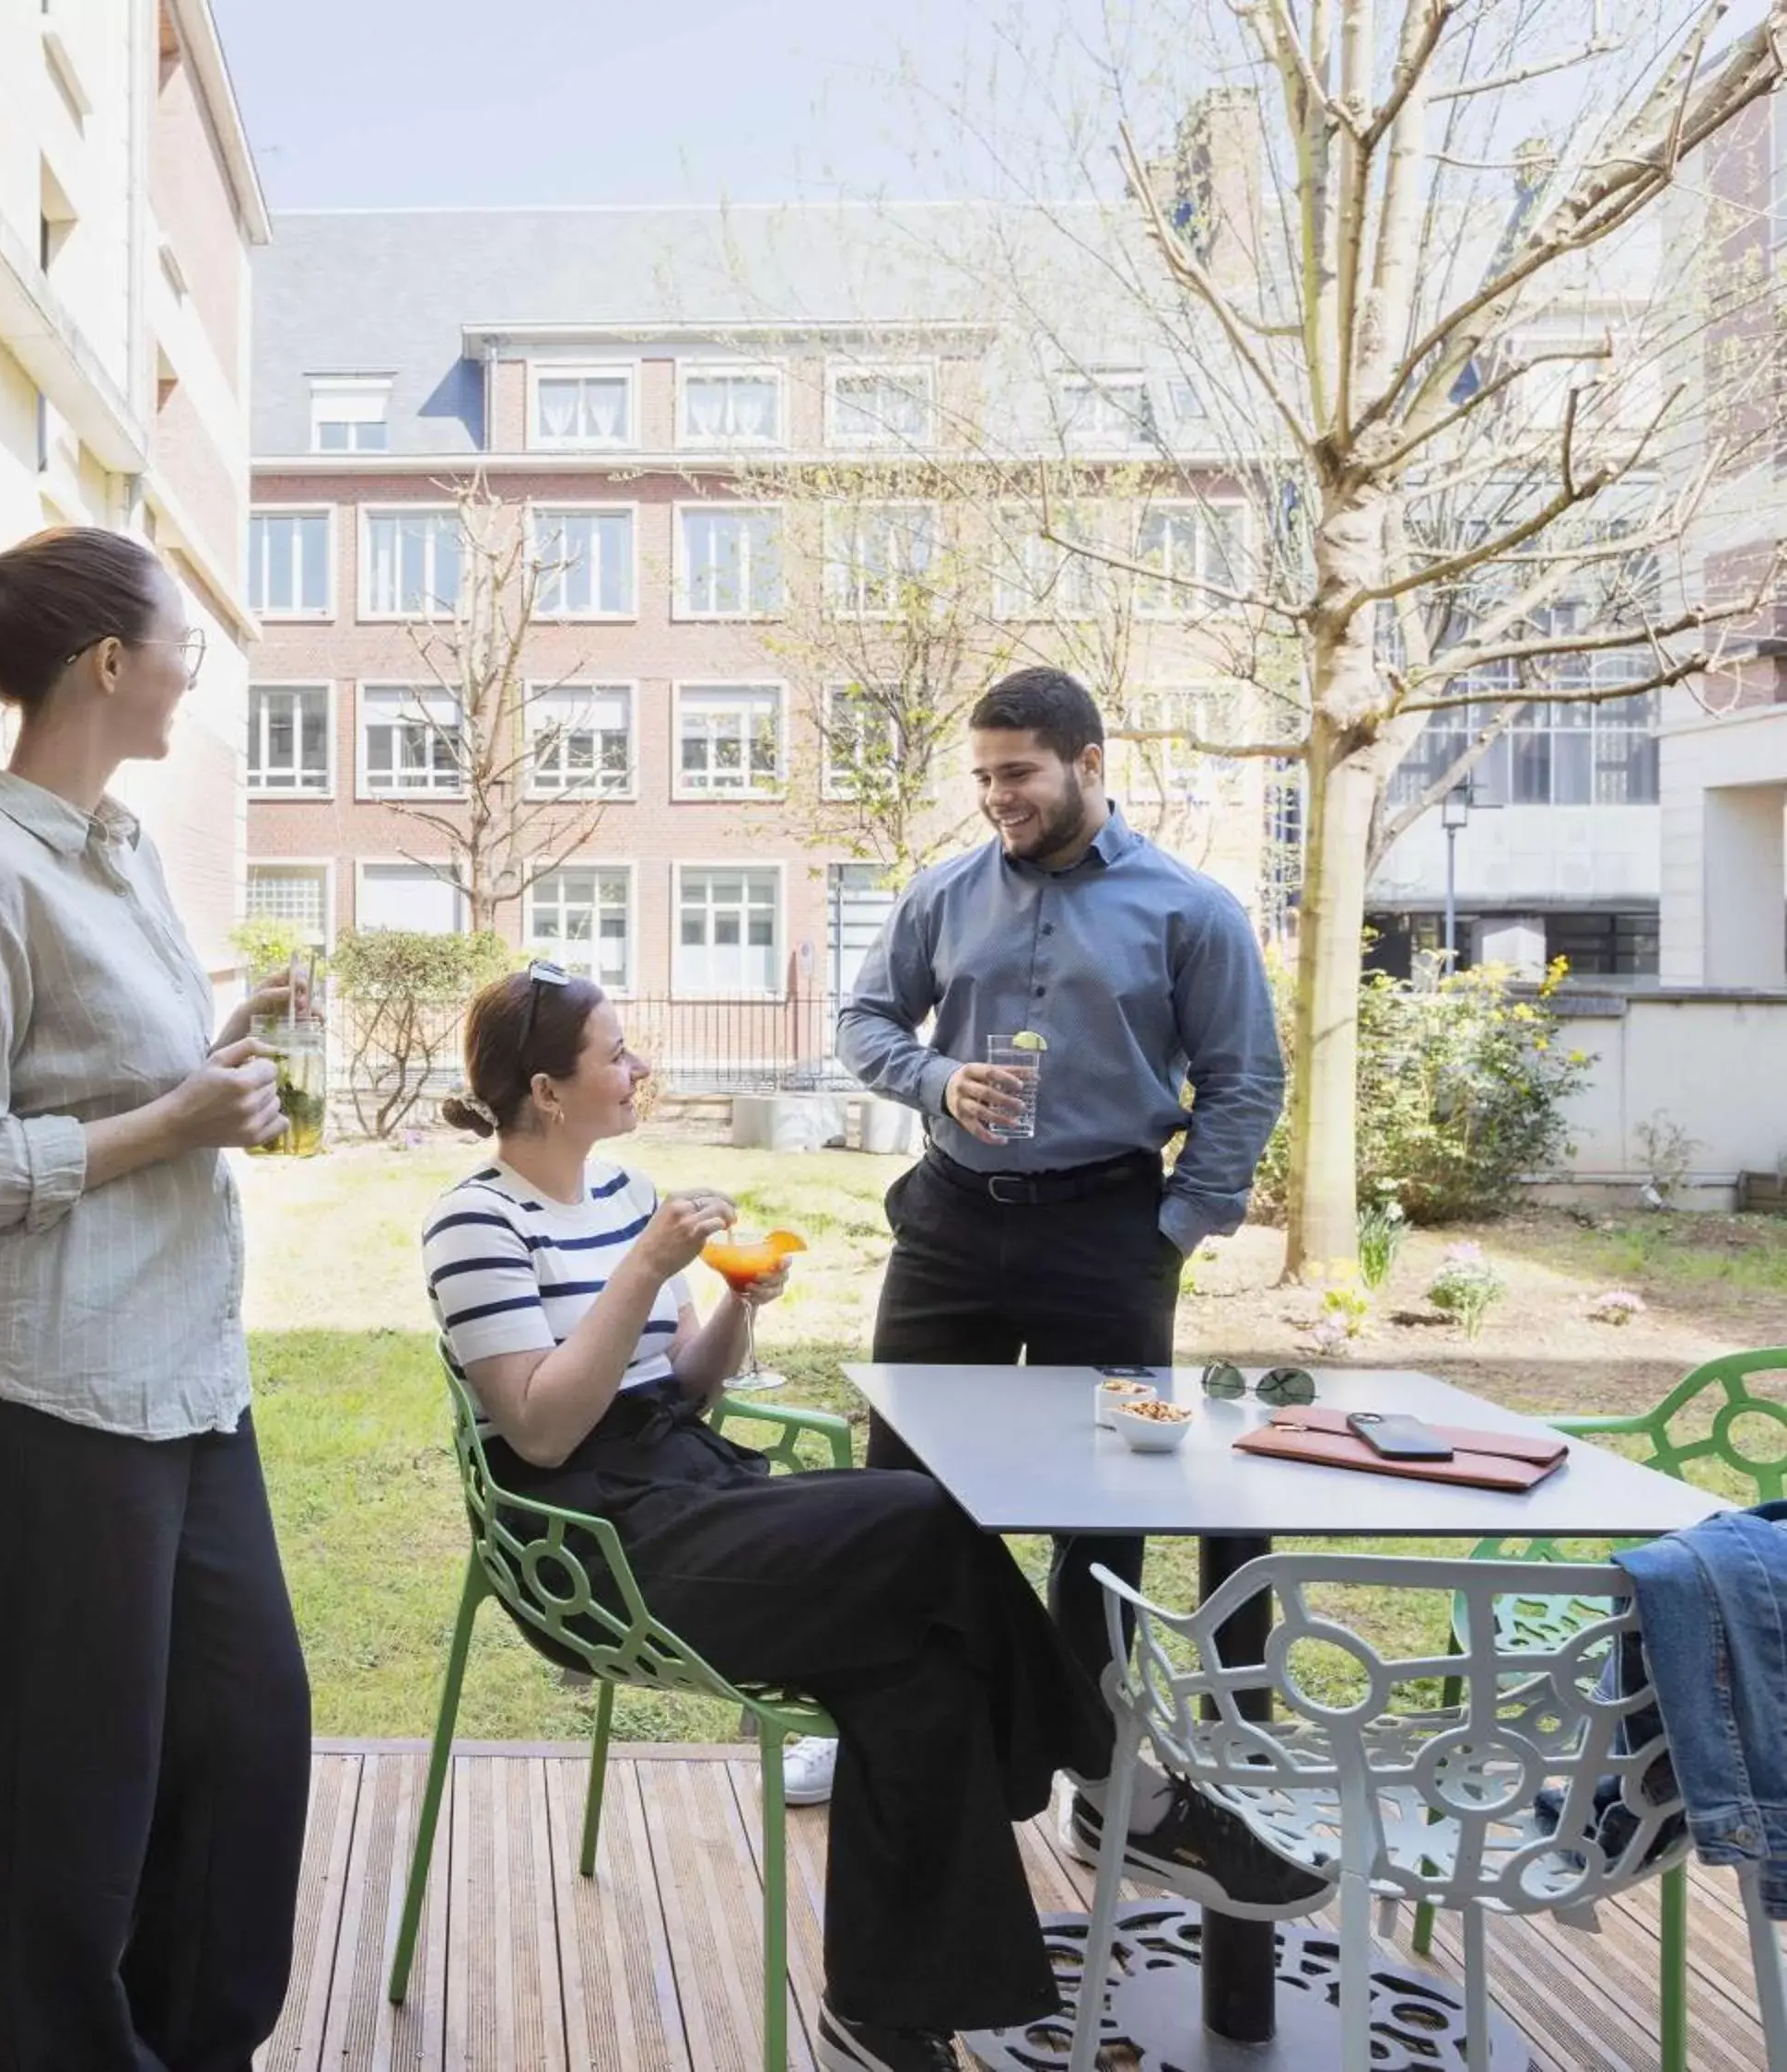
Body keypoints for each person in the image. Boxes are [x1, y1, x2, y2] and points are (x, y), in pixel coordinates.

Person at [423, 966, 1322, 2072]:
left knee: (922, 1669)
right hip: (600, 1543)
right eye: (615, 1052)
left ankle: (882, 2018)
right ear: (548, 1090)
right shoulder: (474, 1222)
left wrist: (732, 1312)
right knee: (922, 1514)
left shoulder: (622, 1192)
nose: (638, 1065)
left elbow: (684, 1388)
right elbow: (545, 1431)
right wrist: (645, 1269)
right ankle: (1125, 1795)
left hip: (693, 1484)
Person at [0, 526, 311, 2072]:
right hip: (51, 1397)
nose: (199, 664)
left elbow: (105, 1054)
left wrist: (228, 1027)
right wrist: (172, 1126)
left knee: (247, 1748)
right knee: (75, 1808)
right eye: (182, 638)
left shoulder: (114, 848)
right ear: (110, 664)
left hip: (185, 1379)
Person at [830, 664, 1286, 1848]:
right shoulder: (943, 895)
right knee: (905, 1492)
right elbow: (868, 1022)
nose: (997, 798)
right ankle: (895, 1731)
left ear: (1089, 764)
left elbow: (1246, 1080)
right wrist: (936, 1079)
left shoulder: (1193, 912)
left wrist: (1175, 1229)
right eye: (983, 777)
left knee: (1105, 1514)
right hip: (949, 1223)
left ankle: (1105, 1772)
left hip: (1108, 1236)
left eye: (1018, 773)